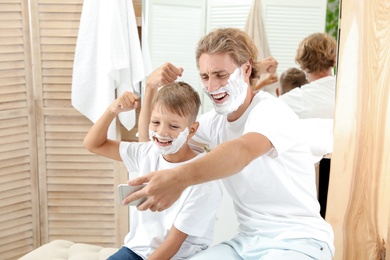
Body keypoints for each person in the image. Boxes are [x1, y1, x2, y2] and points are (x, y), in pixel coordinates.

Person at [125, 28, 335, 259]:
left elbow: (241, 151)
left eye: (220, 75)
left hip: (299, 241)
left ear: (245, 69)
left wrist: (178, 179)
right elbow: (156, 146)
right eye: (205, 77)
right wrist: (150, 88)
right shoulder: (214, 122)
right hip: (245, 243)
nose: (211, 87)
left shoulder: (271, 111)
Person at [83, 82, 222, 260]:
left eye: (173, 126)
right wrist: (112, 110)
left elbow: (174, 243)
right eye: (156, 122)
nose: (162, 132)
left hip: (180, 256)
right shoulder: (147, 153)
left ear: (191, 130)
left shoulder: (203, 178)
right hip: (135, 250)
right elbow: (93, 144)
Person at [279, 32, 337, 119]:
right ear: (334, 58)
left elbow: (259, 111)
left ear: (302, 63)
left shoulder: (298, 98)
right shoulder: (348, 91)